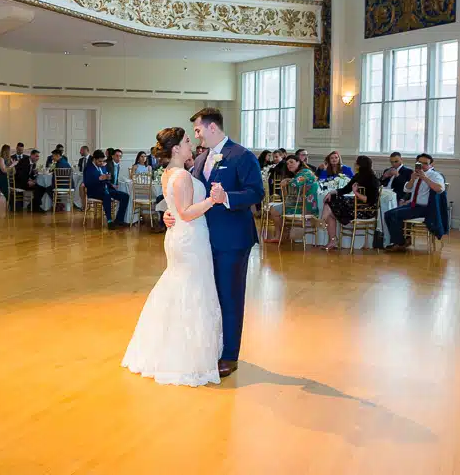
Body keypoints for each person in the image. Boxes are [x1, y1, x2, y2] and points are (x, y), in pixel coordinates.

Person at [163, 108, 263, 377]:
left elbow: (256, 192)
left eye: (197, 130)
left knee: (230, 297)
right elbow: (188, 196)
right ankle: (214, 346)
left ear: (211, 128)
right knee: (210, 295)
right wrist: (170, 212)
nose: (195, 136)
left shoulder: (242, 155)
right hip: (202, 239)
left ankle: (230, 354)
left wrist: (226, 197)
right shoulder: (200, 158)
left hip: (233, 239)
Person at [122, 127, 221, 385]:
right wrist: (213, 199)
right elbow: (187, 212)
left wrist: (170, 214)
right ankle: (188, 356)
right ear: (176, 148)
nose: (191, 144)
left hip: (179, 237)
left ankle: (168, 348)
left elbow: (173, 206)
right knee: (192, 289)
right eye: (187, 141)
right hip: (190, 238)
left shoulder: (168, 174)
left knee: (180, 287)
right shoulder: (182, 176)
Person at [384, 153, 445, 252]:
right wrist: (412, 179)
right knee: (388, 214)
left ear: (431, 165)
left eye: (426, 163)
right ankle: (403, 240)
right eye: (420, 163)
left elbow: (440, 189)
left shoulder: (435, 175)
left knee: (394, 215)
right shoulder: (415, 174)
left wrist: (424, 177)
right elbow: (407, 189)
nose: (423, 165)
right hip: (413, 204)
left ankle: (399, 243)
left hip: (425, 208)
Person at [320, 155, 380, 250]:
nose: (355, 164)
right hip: (356, 206)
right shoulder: (358, 176)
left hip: (366, 210)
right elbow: (345, 190)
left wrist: (356, 192)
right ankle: (332, 239)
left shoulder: (372, 178)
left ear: (360, 165)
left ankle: (322, 223)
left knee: (331, 208)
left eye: (356, 163)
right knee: (331, 201)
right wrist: (331, 192)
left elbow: (371, 200)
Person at [266, 154, 320, 243]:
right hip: (300, 204)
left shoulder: (305, 172)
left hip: (306, 207)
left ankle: (280, 235)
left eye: (291, 162)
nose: (289, 165)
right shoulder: (300, 173)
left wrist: (287, 180)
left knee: (274, 210)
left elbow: (295, 183)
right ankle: (281, 234)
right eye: (287, 164)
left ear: (299, 162)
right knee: (273, 209)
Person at [83, 149, 129, 229]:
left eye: (102, 161)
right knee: (106, 195)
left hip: (105, 189)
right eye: (99, 161)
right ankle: (109, 221)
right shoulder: (88, 168)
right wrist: (99, 179)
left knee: (125, 196)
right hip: (94, 191)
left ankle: (119, 219)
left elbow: (105, 178)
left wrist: (108, 179)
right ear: (94, 159)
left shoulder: (102, 167)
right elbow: (87, 183)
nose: (101, 163)